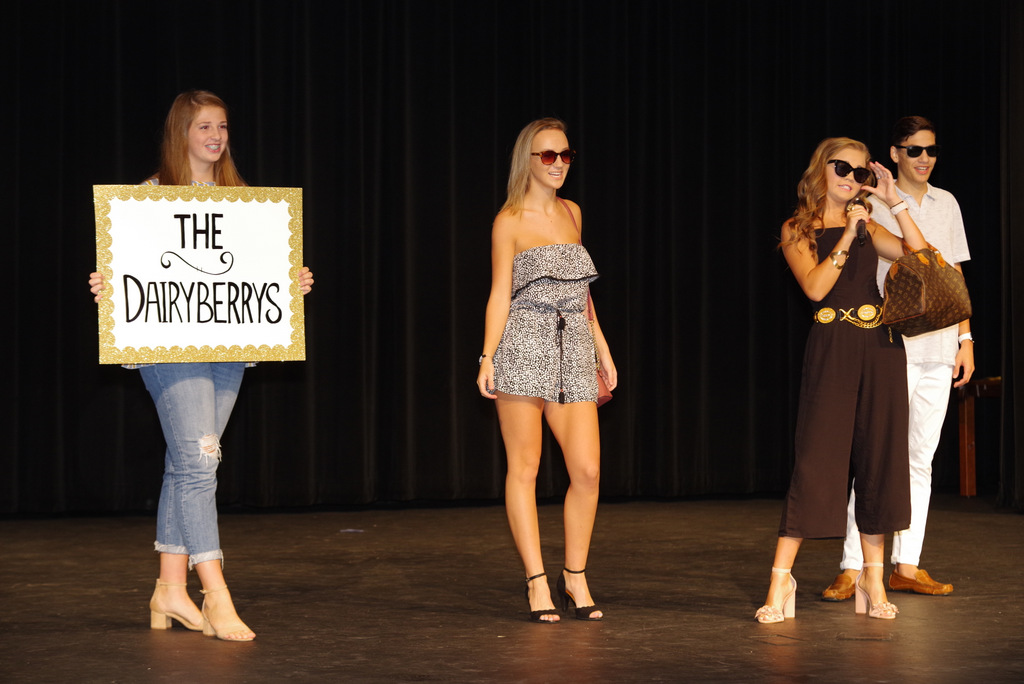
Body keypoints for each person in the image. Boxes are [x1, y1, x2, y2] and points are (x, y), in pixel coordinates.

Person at [88, 90, 314, 641]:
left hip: (229, 342)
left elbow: (259, 270)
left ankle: (169, 589)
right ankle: (216, 593)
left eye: (223, 126)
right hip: (170, 346)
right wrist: (107, 285)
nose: (216, 136)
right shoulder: (147, 199)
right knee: (199, 462)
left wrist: (293, 281)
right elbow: (130, 272)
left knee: (188, 461)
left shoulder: (245, 204)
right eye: (204, 126)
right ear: (181, 133)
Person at [756, 137, 928, 624]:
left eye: (860, 171)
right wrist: (849, 234)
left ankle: (873, 578)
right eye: (842, 167)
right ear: (822, 169)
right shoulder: (798, 228)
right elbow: (815, 288)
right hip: (832, 348)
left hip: (881, 349)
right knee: (816, 460)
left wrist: (895, 201)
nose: (851, 177)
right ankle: (780, 580)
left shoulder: (872, 222)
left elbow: (922, 256)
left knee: (879, 462)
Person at [822, 117, 973, 602]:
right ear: (894, 153)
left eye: (931, 150)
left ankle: (906, 564)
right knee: (876, 454)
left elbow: (953, 273)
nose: (924, 159)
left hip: (940, 343)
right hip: (893, 341)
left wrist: (966, 338)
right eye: (914, 150)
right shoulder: (869, 202)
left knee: (920, 458)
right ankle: (853, 566)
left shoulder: (947, 203)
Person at [476, 118, 617, 623]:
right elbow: (499, 294)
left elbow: (582, 292)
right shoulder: (508, 221)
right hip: (523, 343)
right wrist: (487, 356)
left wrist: (602, 347)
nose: (559, 164)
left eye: (566, 155)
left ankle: (574, 576)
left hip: (574, 344)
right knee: (526, 467)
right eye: (549, 156)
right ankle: (536, 580)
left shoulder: (572, 212)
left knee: (588, 470)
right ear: (528, 160)